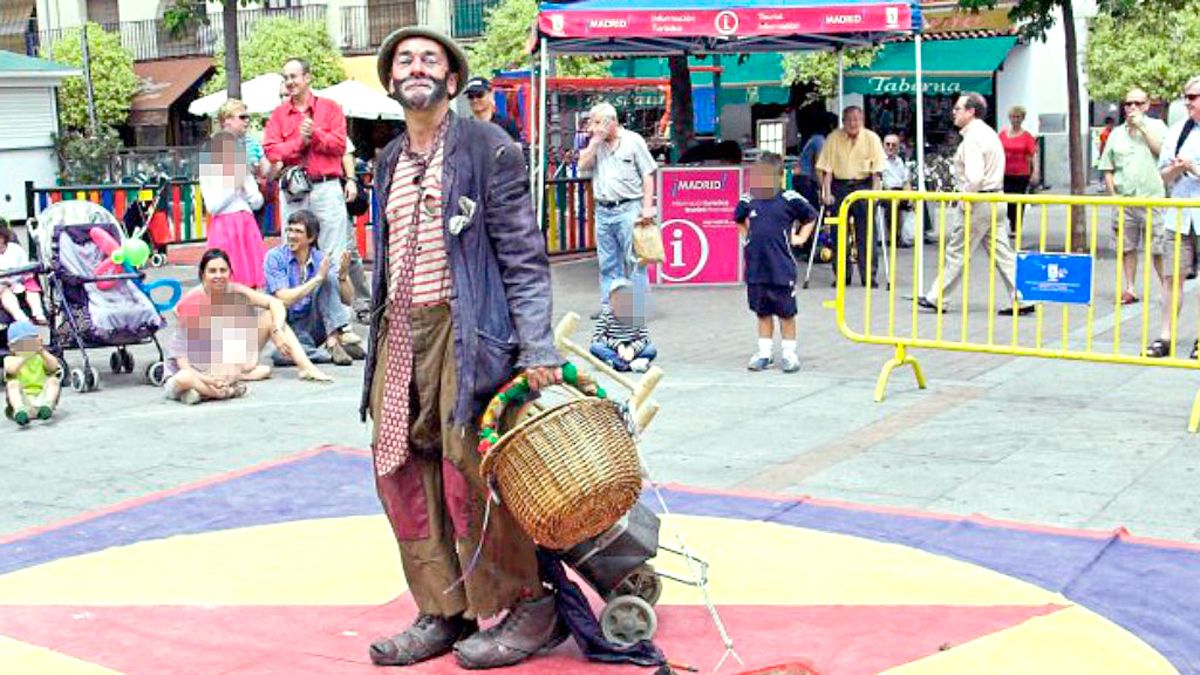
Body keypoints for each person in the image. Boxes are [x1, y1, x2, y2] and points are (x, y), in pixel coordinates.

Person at [363, 27, 565, 670]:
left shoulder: (487, 146)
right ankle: (443, 608)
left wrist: (536, 347)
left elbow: (524, 257)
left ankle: (524, 607)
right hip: (400, 330)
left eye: (431, 59)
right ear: (391, 82)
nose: (416, 67)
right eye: (404, 60)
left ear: (452, 81)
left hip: (467, 329)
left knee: (468, 471)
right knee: (399, 469)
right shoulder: (388, 159)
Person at [163, 249, 332, 405]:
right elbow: (182, 329)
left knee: (270, 318)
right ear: (202, 275)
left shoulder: (235, 291)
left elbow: (275, 303)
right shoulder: (194, 299)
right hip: (201, 361)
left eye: (223, 270)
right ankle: (217, 389)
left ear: (230, 273)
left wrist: (277, 330)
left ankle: (306, 367)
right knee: (195, 374)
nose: (218, 276)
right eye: (212, 271)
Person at [918, 92, 1032, 316]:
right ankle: (1024, 296)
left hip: (979, 201)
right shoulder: (989, 133)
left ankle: (937, 297)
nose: (954, 113)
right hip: (996, 198)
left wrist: (966, 198)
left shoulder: (972, 139)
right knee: (1002, 252)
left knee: (957, 251)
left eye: (958, 109)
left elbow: (975, 178)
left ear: (971, 112)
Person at [263, 57, 354, 328]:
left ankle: (337, 324)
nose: (290, 82)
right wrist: (299, 143)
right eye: (286, 77)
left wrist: (315, 134)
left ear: (307, 77)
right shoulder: (278, 115)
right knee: (293, 249)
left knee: (333, 253)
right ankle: (295, 321)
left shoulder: (330, 108)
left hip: (327, 186)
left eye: (294, 76)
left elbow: (340, 145)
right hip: (294, 190)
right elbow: (272, 150)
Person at [735, 152, 818, 373]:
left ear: (780, 177)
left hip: (781, 268)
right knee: (762, 312)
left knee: (786, 313)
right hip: (756, 268)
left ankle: (789, 354)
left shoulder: (790, 199)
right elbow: (738, 218)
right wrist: (747, 237)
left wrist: (800, 237)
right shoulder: (748, 199)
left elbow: (811, 216)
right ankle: (765, 353)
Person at [578, 101, 657, 314]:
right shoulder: (595, 144)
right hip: (603, 209)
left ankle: (637, 308)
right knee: (607, 262)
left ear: (611, 121)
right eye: (591, 122)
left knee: (634, 260)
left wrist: (647, 207)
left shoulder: (633, 140)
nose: (593, 128)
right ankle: (609, 308)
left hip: (629, 207)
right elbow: (582, 166)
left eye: (597, 122)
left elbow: (647, 174)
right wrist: (594, 143)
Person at [1097, 88, 1168, 311]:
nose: (1132, 107)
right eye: (1128, 104)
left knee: (1158, 248)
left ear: (1146, 106)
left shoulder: (1158, 126)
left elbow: (1164, 153)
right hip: (1125, 201)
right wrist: (1114, 196)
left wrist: (1142, 129)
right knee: (1126, 247)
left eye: (1137, 103)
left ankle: (1166, 289)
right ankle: (1130, 288)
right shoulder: (1116, 134)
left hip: (1153, 199)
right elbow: (1107, 167)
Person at [263, 210, 363, 367]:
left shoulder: (321, 258)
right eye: (289, 230)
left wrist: (343, 277)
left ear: (311, 238)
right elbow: (284, 299)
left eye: (298, 231)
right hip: (289, 325)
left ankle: (332, 340)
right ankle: (331, 352)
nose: (291, 235)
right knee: (280, 356)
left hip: (317, 323)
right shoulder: (275, 257)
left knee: (329, 278)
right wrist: (316, 279)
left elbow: (348, 299)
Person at [1153, 75, 1200, 358]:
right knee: (1172, 279)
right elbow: (1163, 175)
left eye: (1193, 97)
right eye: (1186, 97)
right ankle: (1165, 336)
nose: (1187, 103)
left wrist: (1193, 168)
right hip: (1179, 217)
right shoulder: (1177, 131)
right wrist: (1177, 169)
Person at [816, 106, 886, 287]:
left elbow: (877, 171)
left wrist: (875, 193)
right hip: (840, 186)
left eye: (856, 119)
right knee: (839, 233)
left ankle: (868, 275)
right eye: (849, 120)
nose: (853, 123)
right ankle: (842, 275)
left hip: (864, 185)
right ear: (843, 121)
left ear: (862, 121)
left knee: (867, 233)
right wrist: (827, 193)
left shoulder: (871, 138)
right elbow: (827, 170)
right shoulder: (833, 138)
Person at [199, 131, 267, 289]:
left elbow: (257, 202)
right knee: (225, 276)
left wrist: (248, 190)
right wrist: (234, 188)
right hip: (224, 227)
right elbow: (212, 207)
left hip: (246, 225)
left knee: (251, 276)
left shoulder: (242, 170)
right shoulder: (209, 175)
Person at [589, 278, 656, 373]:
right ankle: (626, 364)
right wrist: (618, 346)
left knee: (651, 349)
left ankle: (618, 364)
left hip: (633, 351)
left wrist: (632, 349)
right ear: (610, 301)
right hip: (613, 350)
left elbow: (644, 339)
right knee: (596, 347)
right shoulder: (606, 315)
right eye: (617, 299)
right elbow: (597, 337)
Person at [340, 137, 372, 321]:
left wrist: (351, 180)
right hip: (300, 191)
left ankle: (364, 303)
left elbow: (347, 152)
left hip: (333, 192)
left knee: (349, 251)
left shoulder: (331, 123)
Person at [3, 320, 60, 426]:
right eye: (22, 345)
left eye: (30, 343)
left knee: (53, 380)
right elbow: (11, 370)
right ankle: (19, 411)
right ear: (12, 347)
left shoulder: (40, 357)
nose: (27, 347)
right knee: (12, 384)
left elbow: (54, 367)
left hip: (41, 398)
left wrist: (42, 351)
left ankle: (47, 406)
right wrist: (25, 357)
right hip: (24, 401)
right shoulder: (10, 359)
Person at [998, 105, 1039, 236]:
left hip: (1021, 174)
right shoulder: (1002, 135)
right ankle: (1011, 221)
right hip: (1005, 173)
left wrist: (1035, 172)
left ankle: (1016, 227)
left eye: (1018, 117)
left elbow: (1033, 155)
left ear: (1022, 119)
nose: (1015, 120)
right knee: (1008, 201)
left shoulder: (1027, 137)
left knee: (1019, 201)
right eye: (1013, 117)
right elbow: (996, 153)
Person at [0, 224, 47, 325]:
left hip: (20, 279)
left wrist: (22, 278)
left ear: (3, 238)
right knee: (4, 292)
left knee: (31, 283)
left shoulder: (15, 249)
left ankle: (38, 313)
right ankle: (21, 317)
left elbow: (25, 266)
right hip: (3, 284)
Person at [216, 98, 271, 180]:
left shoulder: (252, 142)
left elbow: (266, 172)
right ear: (227, 119)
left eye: (248, 117)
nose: (247, 120)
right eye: (242, 117)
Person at [792, 112, 837, 207]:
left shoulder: (814, 138)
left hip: (800, 177)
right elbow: (819, 167)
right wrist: (823, 188)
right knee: (812, 208)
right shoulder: (819, 141)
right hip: (806, 179)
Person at [880, 133, 915, 247]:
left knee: (920, 200)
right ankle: (894, 236)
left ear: (898, 147)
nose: (890, 147)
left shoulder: (900, 161)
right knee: (892, 202)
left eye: (893, 145)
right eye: (888, 144)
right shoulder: (879, 160)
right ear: (883, 145)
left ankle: (920, 235)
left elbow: (905, 181)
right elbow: (879, 181)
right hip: (885, 191)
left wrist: (910, 196)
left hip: (899, 190)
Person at [463, 76, 521, 142]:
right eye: (470, 96)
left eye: (479, 95)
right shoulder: (464, 128)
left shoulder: (506, 125)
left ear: (491, 95)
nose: (475, 100)